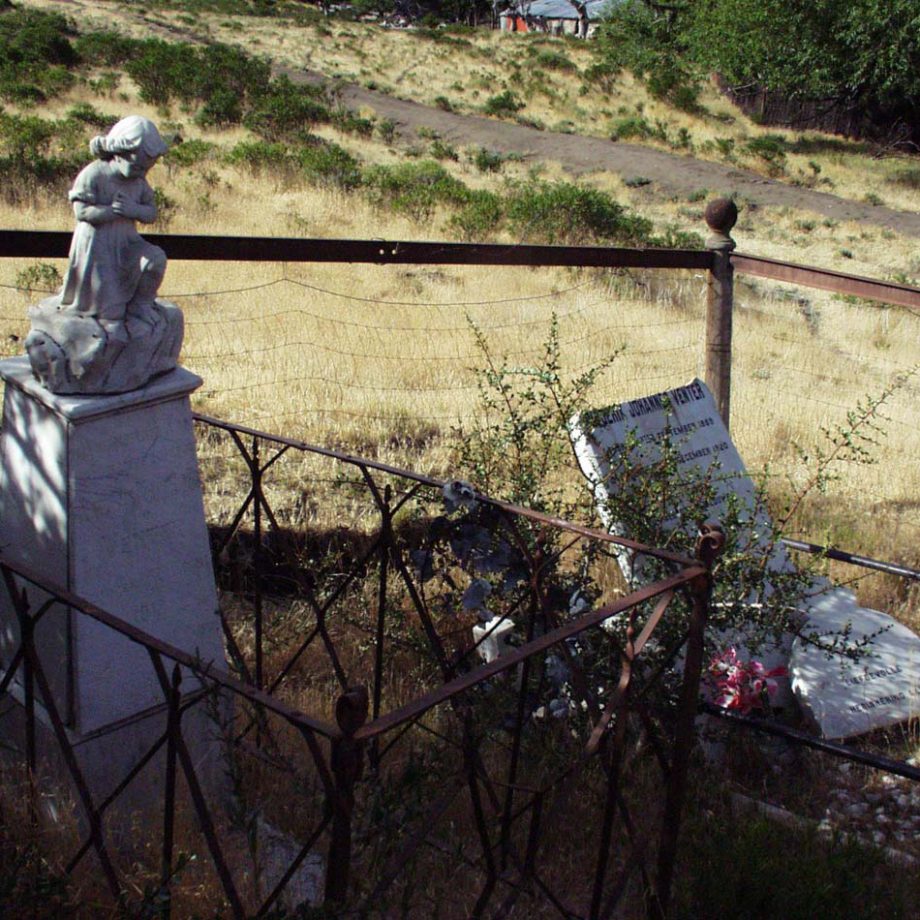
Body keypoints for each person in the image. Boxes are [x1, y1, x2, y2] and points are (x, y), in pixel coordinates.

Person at [60, 115, 170, 346]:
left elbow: (150, 213)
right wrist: (113, 212)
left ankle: (140, 305)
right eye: (138, 166)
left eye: (146, 168)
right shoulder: (94, 174)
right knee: (108, 306)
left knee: (154, 260)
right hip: (97, 244)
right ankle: (103, 337)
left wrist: (133, 209)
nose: (141, 173)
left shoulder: (139, 183)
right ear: (118, 153)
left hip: (126, 241)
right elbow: (81, 212)